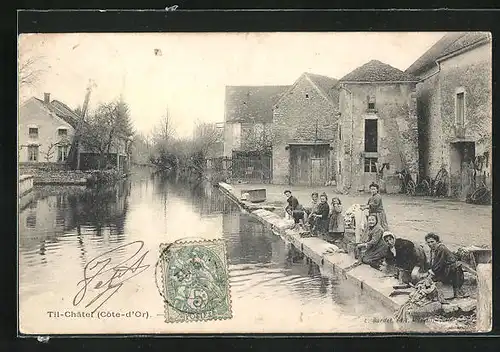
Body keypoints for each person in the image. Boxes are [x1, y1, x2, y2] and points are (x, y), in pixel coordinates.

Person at [424, 232, 466, 298]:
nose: (430, 244)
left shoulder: (441, 248)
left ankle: (456, 291)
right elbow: (434, 262)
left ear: (437, 241)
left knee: (432, 279)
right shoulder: (433, 250)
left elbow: (440, 263)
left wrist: (431, 274)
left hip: (452, 270)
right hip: (445, 268)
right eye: (428, 242)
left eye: (432, 241)